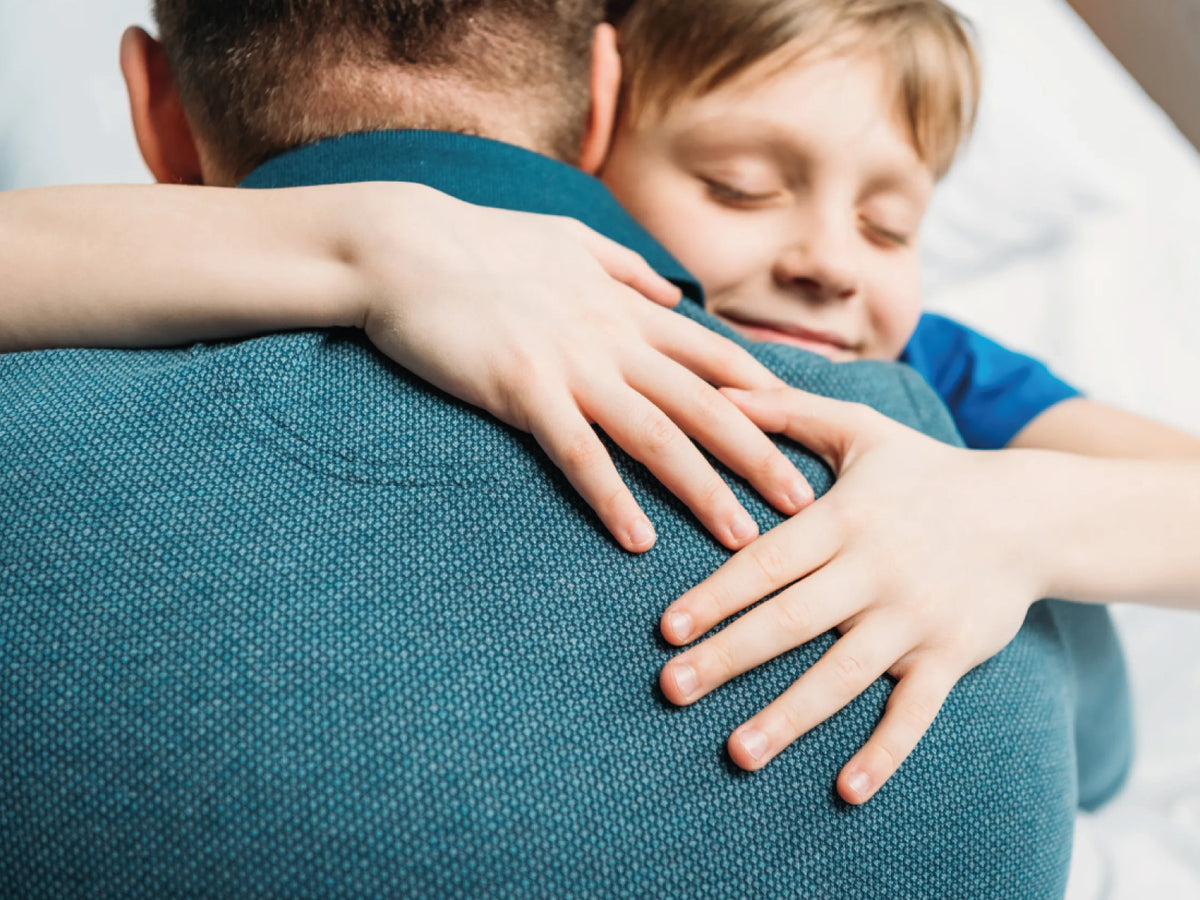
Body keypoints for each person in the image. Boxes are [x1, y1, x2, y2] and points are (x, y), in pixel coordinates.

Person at [0, 0, 1096, 896]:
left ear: (152, 108)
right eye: (743, 189)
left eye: (894, 227)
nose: (827, 266)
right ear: (604, 112)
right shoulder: (918, 463)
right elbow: (1103, 741)